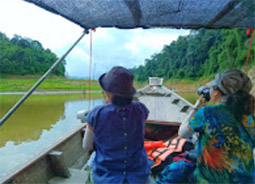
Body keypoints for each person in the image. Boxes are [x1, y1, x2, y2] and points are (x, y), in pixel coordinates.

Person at [178, 69, 255, 183]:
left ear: (217, 92)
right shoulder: (250, 118)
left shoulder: (206, 113)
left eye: (212, 87)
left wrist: (196, 107)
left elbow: (182, 133)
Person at [82, 66, 151, 184]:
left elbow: (87, 146)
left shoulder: (97, 113)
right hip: (138, 175)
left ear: (108, 93)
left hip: (106, 177)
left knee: (92, 160)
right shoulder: (141, 109)